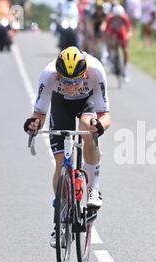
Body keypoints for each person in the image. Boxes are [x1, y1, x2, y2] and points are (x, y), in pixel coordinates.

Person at [23, 46, 111, 247]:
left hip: (87, 103)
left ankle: (93, 189)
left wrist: (99, 126)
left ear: (85, 74)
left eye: (75, 81)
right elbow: (39, 113)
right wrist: (34, 124)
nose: (71, 86)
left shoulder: (96, 70)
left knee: (88, 128)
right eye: (65, 81)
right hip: (60, 105)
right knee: (61, 163)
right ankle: (60, 216)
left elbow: (105, 115)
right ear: (57, 75)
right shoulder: (48, 75)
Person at [104, 4, 132, 81]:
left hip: (122, 32)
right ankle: (111, 57)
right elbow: (106, 30)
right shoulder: (110, 18)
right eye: (116, 16)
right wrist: (108, 40)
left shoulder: (125, 18)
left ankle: (124, 69)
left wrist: (127, 38)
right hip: (112, 32)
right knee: (110, 40)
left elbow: (129, 31)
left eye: (119, 16)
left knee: (125, 50)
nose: (118, 18)